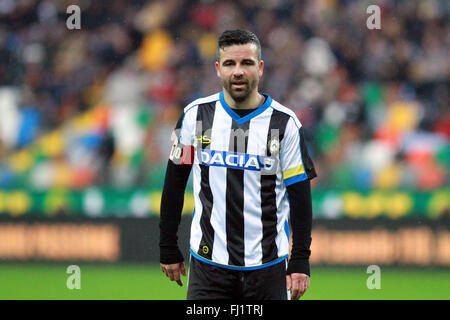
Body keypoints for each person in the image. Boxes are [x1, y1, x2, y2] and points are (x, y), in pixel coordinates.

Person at [159, 29, 316, 300]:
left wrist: (300, 259)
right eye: (230, 64)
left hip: (268, 268)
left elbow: (300, 196)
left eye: (247, 63)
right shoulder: (194, 116)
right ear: (218, 69)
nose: (238, 71)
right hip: (209, 267)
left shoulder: (285, 123)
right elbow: (174, 185)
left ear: (261, 68)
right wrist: (167, 246)